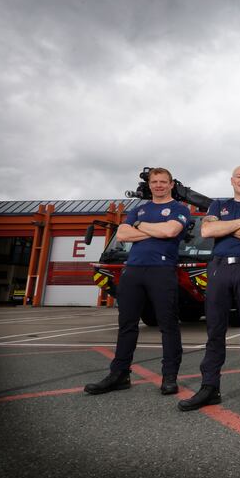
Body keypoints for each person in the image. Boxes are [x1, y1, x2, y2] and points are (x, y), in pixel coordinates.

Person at [85, 167, 190, 396]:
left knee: (168, 325)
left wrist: (140, 226)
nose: (159, 185)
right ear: (150, 184)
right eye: (155, 182)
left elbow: (171, 231)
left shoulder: (179, 209)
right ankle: (119, 374)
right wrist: (155, 230)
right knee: (127, 325)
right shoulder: (139, 208)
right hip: (132, 270)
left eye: (163, 181)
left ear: (171, 184)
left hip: (162, 270)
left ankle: (169, 376)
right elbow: (122, 235)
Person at [178, 165, 240, 413]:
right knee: (215, 331)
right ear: (232, 181)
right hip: (219, 269)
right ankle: (210, 388)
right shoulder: (217, 205)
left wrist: (227, 226)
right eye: (239, 177)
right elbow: (208, 230)